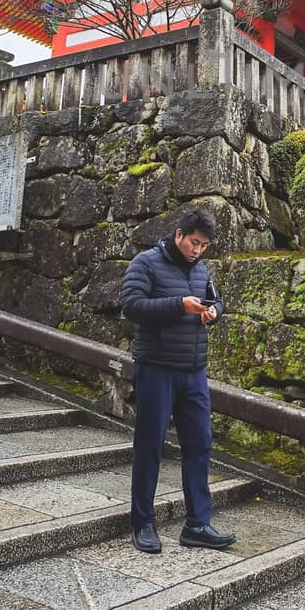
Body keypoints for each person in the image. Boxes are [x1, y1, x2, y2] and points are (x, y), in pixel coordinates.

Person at [120, 208, 236, 555]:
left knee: (200, 444)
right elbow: (131, 306)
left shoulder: (201, 269)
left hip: (194, 371)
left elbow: (215, 301)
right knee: (150, 446)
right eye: (194, 243)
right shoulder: (146, 262)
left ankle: (197, 525)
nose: (198, 250)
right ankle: (143, 522)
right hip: (156, 368)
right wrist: (177, 306)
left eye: (204, 245)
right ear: (179, 235)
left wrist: (215, 312)